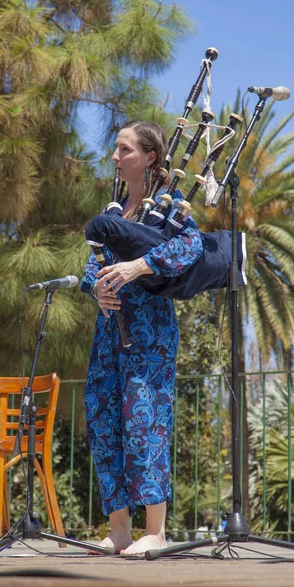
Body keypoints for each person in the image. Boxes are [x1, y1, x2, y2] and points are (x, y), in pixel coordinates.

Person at [81, 120, 203, 556]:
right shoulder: (116, 207)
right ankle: (119, 530)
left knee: (143, 420)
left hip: (149, 332)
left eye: (125, 149)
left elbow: (192, 248)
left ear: (150, 158)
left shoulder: (170, 208)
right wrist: (95, 286)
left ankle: (156, 531)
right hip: (109, 331)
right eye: (116, 149)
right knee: (102, 416)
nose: (115, 157)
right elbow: (91, 265)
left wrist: (138, 266)